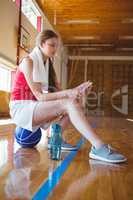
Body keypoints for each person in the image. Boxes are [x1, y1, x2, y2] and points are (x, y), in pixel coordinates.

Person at [9, 29, 127, 163]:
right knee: (68, 103)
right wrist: (70, 92)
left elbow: (62, 96)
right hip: (21, 108)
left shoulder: (48, 66)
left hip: (34, 107)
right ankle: (98, 146)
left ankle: (56, 139)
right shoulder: (28, 61)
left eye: (56, 46)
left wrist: (80, 94)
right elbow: (40, 96)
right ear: (41, 44)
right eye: (52, 45)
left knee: (73, 103)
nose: (55, 49)